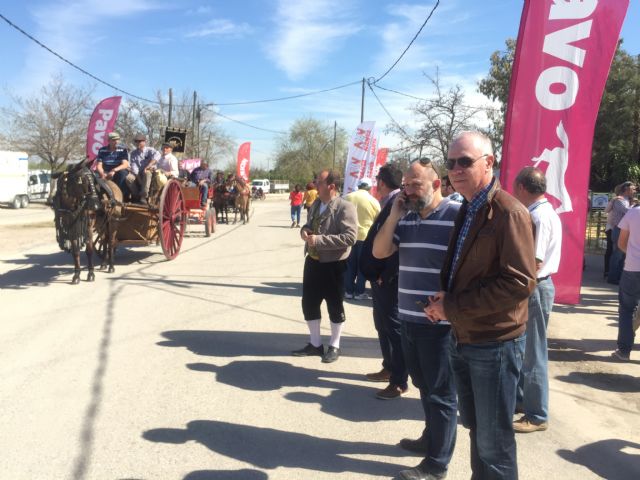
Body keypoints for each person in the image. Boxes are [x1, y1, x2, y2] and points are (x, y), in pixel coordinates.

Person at [425, 131, 536, 480]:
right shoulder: (469, 207)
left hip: (495, 343)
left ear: (489, 163)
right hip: (466, 336)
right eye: (451, 162)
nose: (455, 169)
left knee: (494, 443)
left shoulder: (509, 212)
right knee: (478, 430)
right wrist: (447, 300)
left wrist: (453, 307)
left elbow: (519, 283)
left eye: (465, 162)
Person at [373, 158, 460, 480]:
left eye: (416, 185)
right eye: (406, 185)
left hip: (439, 324)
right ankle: (430, 438)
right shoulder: (406, 218)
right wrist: (394, 213)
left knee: (441, 392)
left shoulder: (455, 216)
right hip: (407, 317)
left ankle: (437, 465)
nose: (408, 190)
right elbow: (380, 252)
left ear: (437, 184)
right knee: (424, 386)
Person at [512, 166, 562, 433]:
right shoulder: (539, 213)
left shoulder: (539, 217)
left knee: (533, 352)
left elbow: (534, 260)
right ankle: (523, 402)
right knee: (525, 349)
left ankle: (537, 414)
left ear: (521, 187)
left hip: (535, 286)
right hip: (536, 286)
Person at [292, 170, 357, 364]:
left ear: (331, 186)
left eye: (319, 182)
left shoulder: (345, 207)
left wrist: (319, 240)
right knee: (309, 303)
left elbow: (350, 237)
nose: (315, 184)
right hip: (313, 261)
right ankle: (315, 344)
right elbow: (308, 225)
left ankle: (334, 345)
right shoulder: (316, 205)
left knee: (335, 304)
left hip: (334, 264)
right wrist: (304, 231)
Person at [359, 164, 406, 393]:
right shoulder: (389, 201)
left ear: (382, 182)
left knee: (393, 328)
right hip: (378, 278)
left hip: (387, 279)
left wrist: (385, 275)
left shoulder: (399, 205)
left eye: (378, 179)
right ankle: (388, 367)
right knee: (382, 325)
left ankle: (398, 380)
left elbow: (397, 245)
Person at [612, 204, 640, 361]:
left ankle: (624, 350)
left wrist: (633, 255)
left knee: (627, 310)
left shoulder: (633, 213)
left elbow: (621, 243)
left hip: (633, 268)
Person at [344, 178, 380, 300]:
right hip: (365, 237)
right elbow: (378, 221)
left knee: (349, 265)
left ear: (358, 186)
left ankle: (348, 291)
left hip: (348, 236)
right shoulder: (374, 201)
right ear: (370, 188)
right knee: (362, 266)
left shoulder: (346, 198)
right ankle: (359, 292)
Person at [608, 181, 637, 284]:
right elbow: (628, 212)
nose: (634, 191)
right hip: (618, 230)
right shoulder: (619, 200)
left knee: (622, 255)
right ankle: (612, 277)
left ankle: (618, 276)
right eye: (632, 189)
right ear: (626, 189)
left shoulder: (626, 200)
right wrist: (635, 207)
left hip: (623, 230)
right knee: (617, 254)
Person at [126, 133, 160, 204]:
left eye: (140, 141)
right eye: (137, 141)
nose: (138, 143)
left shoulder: (150, 150)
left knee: (146, 173)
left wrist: (148, 166)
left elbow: (157, 156)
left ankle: (144, 196)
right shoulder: (133, 153)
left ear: (145, 142)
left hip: (149, 172)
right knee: (129, 178)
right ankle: (136, 195)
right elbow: (134, 167)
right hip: (139, 173)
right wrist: (138, 177)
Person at [96, 132, 130, 197]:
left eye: (118, 139)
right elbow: (99, 165)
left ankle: (121, 195)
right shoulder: (102, 150)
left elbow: (125, 164)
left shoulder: (122, 149)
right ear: (109, 141)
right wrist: (102, 174)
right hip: (105, 170)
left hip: (118, 169)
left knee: (122, 173)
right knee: (95, 176)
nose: (116, 142)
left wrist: (114, 170)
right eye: (114, 140)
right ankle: (100, 195)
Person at [604, 184, 624, 278]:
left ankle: (614, 271)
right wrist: (613, 200)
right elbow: (606, 210)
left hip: (620, 227)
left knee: (617, 251)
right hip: (611, 228)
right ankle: (607, 271)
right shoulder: (615, 200)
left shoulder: (627, 201)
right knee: (610, 250)